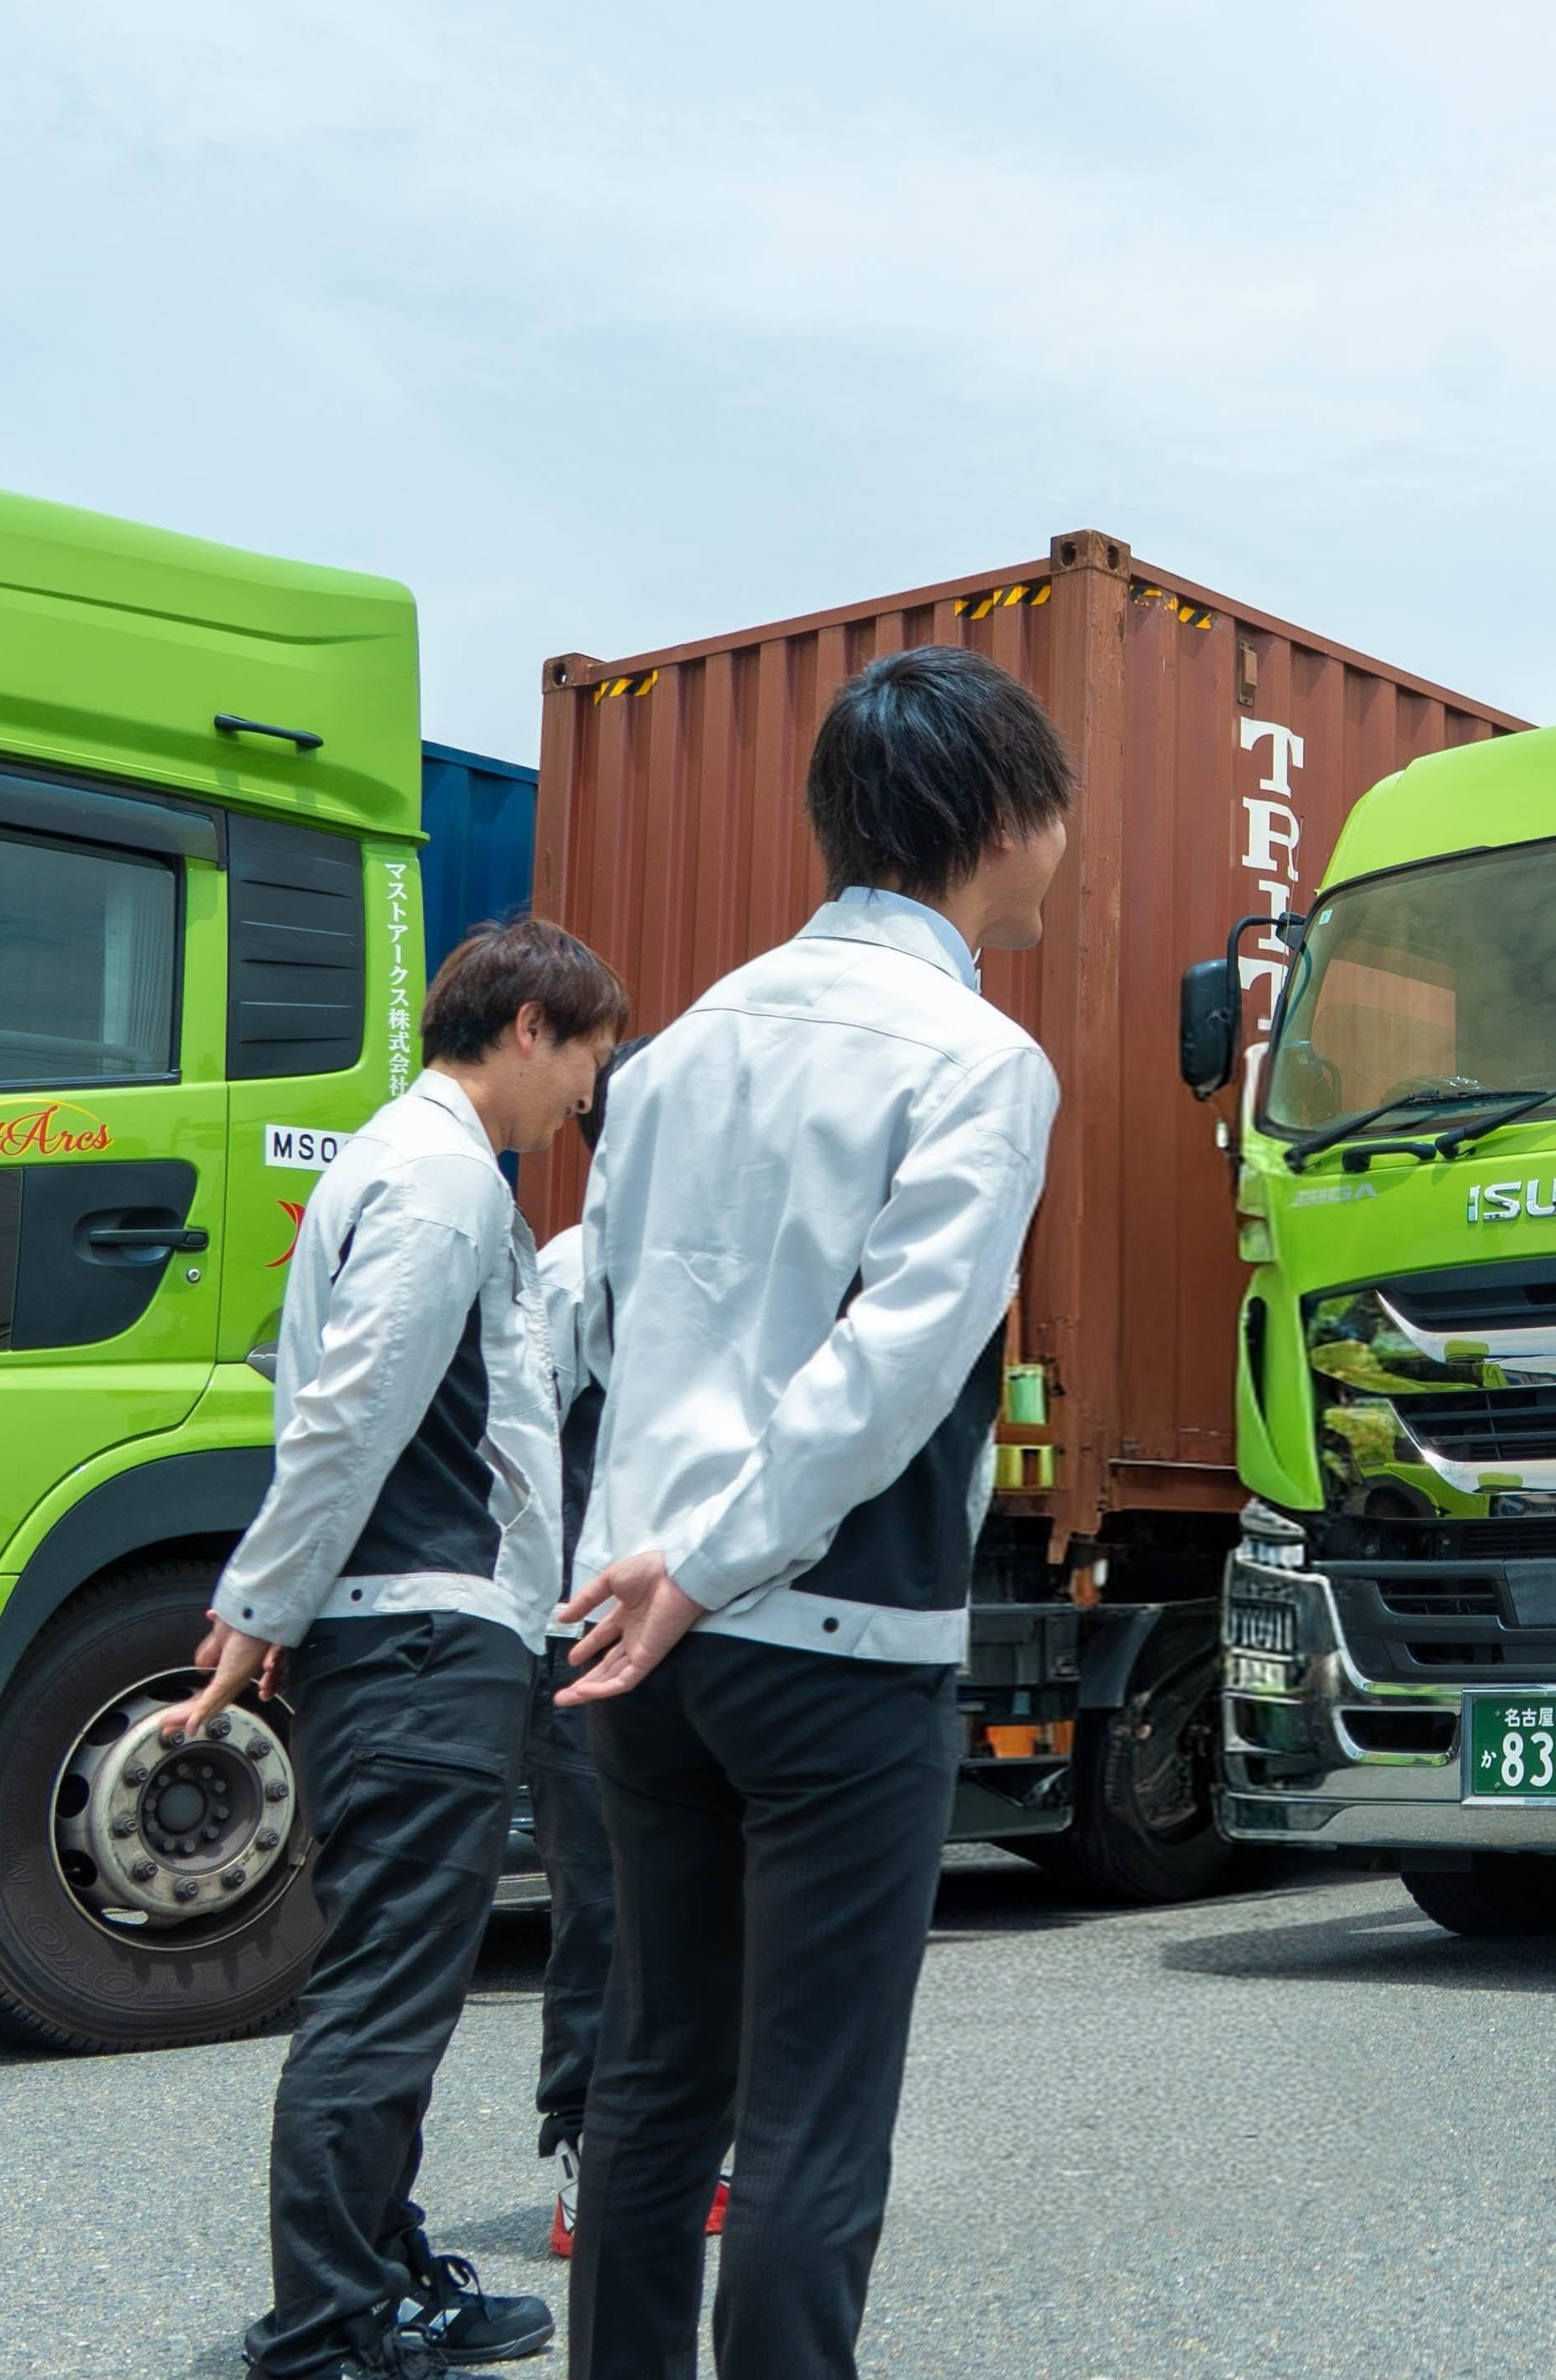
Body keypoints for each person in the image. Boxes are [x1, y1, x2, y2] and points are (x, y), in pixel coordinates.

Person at [555, 645, 1071, 2379]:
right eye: (1054, 807)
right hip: (832, 1638)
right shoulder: (981, 1061)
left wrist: (664, 1565)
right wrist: (717, 1563)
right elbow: (894, 1370)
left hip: (637, 1626)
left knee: (653, 2080)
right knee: (809, 2125)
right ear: (1000, 817)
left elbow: (607, 1327)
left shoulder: (681, 1046)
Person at [175, 919, 627, 2379]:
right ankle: (326, 2322)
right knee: (383, 1991)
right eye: (587, 1062)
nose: (583, 1102)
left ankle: (380, 2269)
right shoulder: (440, 1179)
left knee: (402, 1981)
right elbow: (354, 1407)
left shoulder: (407, 1162)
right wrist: (259, 1603)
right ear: (532, 1026)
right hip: (421, 1629)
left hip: (408, 1630)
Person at [521, 1037, 726, 2264]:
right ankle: (591, 2150)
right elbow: (522, 1463)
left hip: (712, 1627)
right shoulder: (568, 1274)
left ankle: (713, 2142)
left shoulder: (733, 1274)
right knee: (606, 1903)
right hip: (593, 1639)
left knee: (710, 1901)